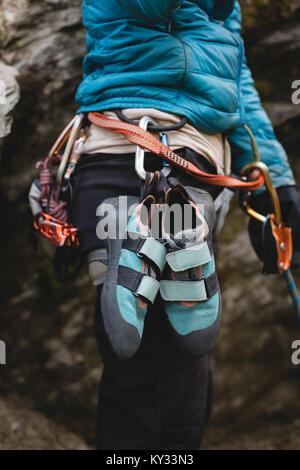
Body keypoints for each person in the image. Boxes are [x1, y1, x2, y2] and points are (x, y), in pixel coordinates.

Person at [70, 0, 300, 450]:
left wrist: (272, 181)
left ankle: (139, 227)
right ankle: (163, 220)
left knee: (151, 356)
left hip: (139, 159)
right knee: (179, 353)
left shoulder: (223, 9)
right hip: (149, 146)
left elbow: (235, 82)